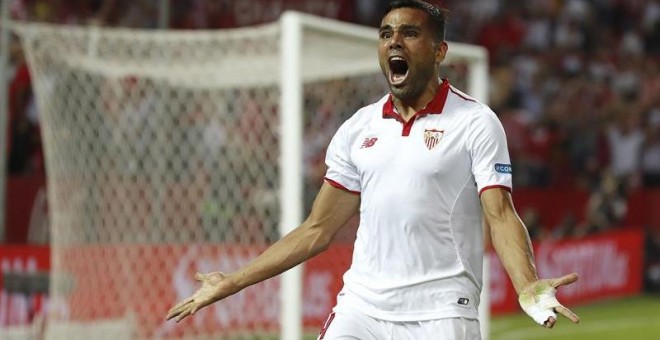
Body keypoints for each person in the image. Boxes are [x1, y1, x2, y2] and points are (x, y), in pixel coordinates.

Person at [166, 1, 580, 338]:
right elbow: (316, 230)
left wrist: (527, 284)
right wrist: (233, 281)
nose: (394, 41)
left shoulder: (475, 121)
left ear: (439, 51)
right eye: (386, 34)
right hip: (363, 308)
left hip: (441, 312)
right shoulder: (357, 128)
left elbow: (501, 215)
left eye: (409, 33)